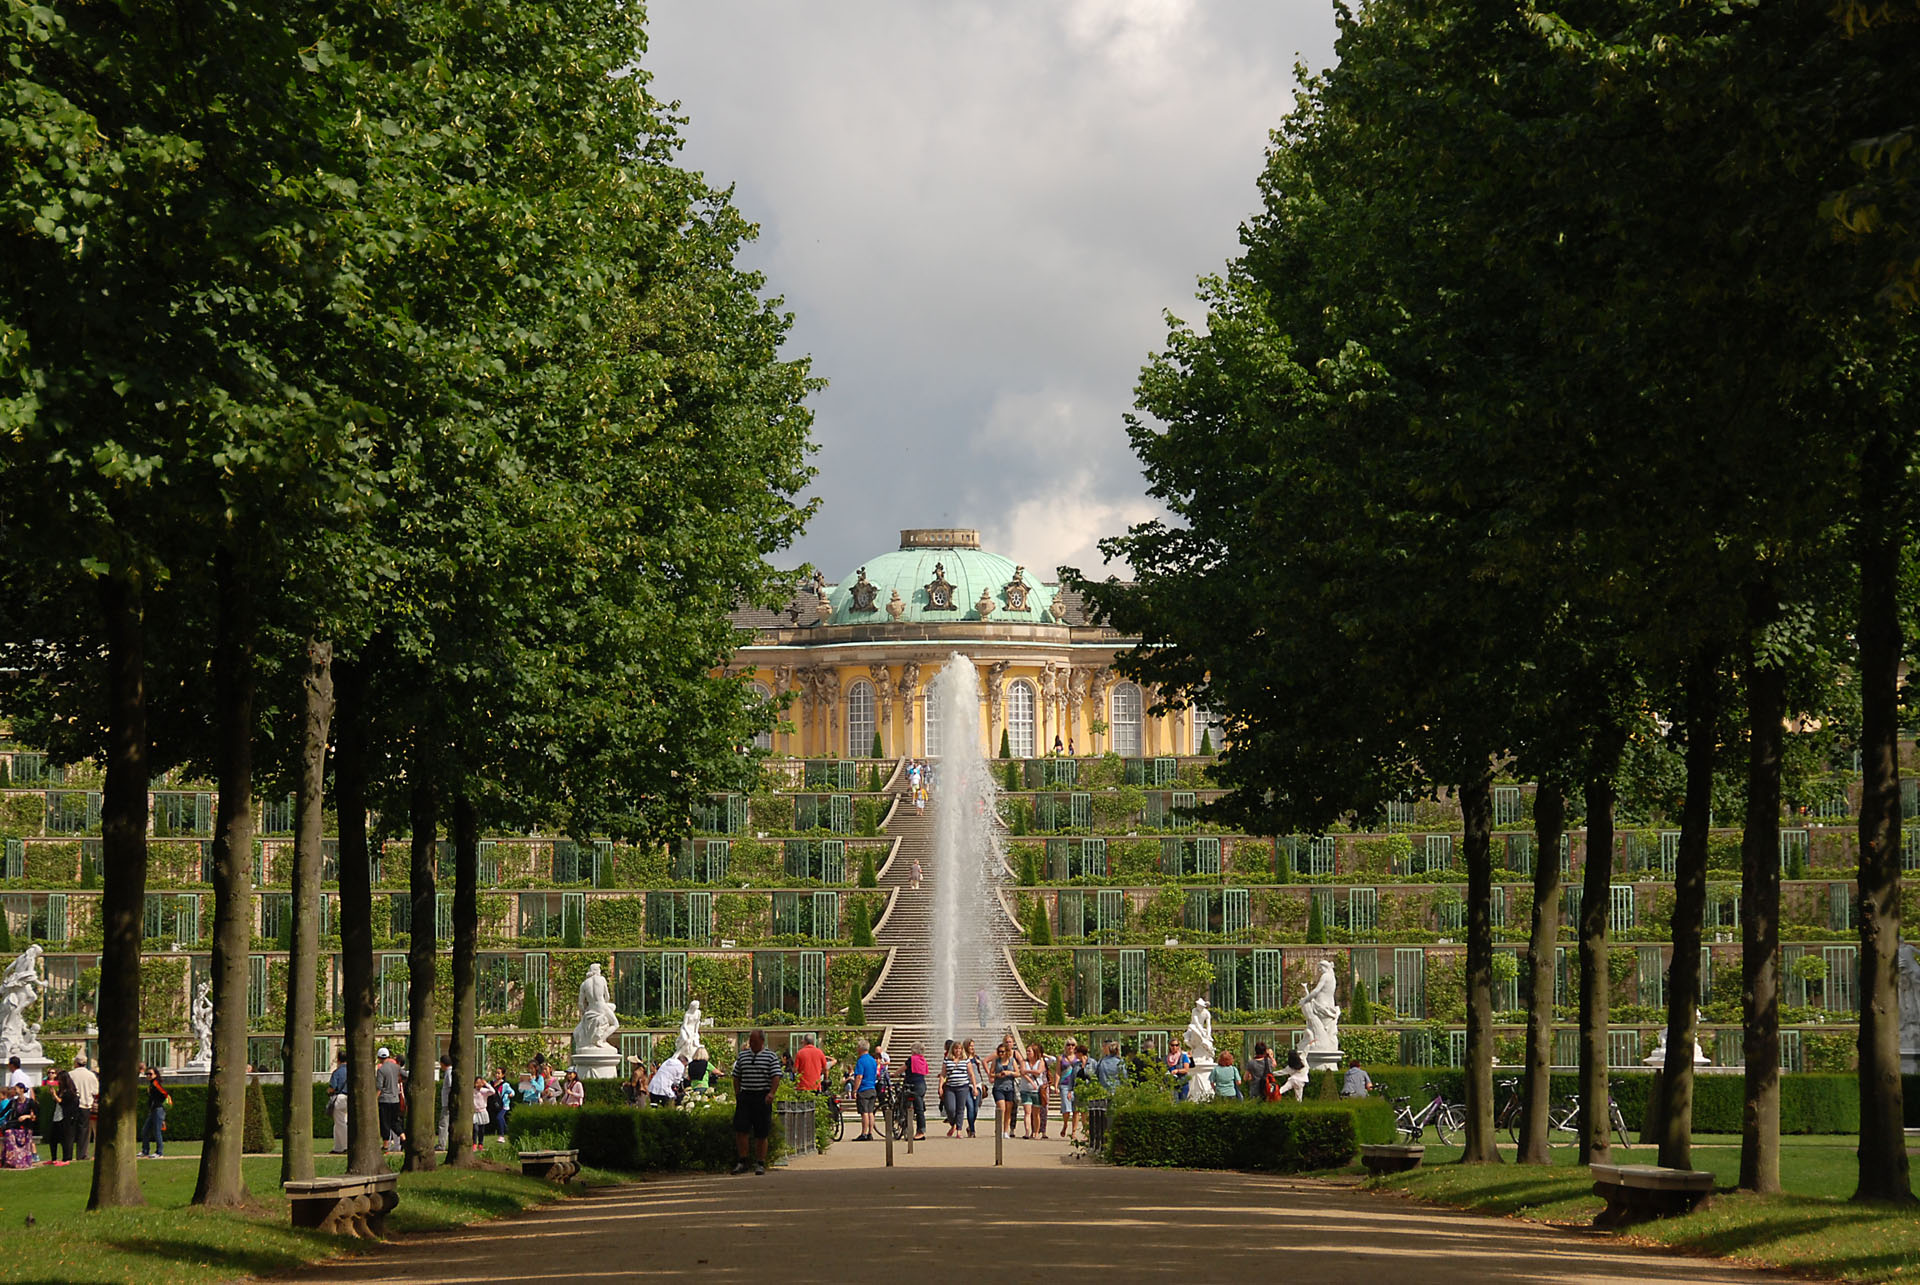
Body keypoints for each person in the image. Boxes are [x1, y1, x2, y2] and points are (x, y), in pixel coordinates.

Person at [730, 1028, 783, 1176]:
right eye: (750, 1041)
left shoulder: (770, 1057)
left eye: (754, 1041)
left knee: (761, 1132)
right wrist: (737, 1093)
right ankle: (742, 1161)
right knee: (741, 1130)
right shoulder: (743, 1056)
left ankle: (760, 1162)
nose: (751, 1043)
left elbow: (776, 1076)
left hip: (762, 1096)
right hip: (746, 1095)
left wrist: (771, 1093)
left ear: (762, 1041)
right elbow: (736, 1076)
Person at [68, 1053, 97, 1160]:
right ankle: (82, 1154)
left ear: (76, 1062)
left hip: (72, 1105)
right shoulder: (91, 1075)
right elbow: (96, 1091)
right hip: (85, 1105)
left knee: (70, 1131)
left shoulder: (70, 1074)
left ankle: (68, 1154)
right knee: (83, 1132)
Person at [375, 1046, 403, 1152]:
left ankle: (386, 1146)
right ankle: (403, 1138)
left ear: (379, 1057)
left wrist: (375, 1100)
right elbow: (405, 1075)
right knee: (395, 1122)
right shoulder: (396, 1067)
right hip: (395, 1099)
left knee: (385, 1123)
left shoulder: (381, 1070)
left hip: (384, 1100)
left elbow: (379, 1087)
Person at [1056, 1039, 1084, 1143]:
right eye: (1068, 1045)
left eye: (1073, 1045)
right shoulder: (1061, 1058)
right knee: (1067, 1109)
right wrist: (1056, 1084)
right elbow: (1058, 1072)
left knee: (1076, 1110)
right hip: (1064, 1085)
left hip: (1076, 1085)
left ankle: (1073, 1132)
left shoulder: (1078, 1058)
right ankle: (1065, 1124)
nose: (1070, 1047)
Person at [940, 1040, 970, 1137]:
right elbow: (943, 1074)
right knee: (950, 1108)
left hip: (963, 1086)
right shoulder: (947, 1060)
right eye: (956, 1048)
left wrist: (974, 1087)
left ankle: (959, 1130)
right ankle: (953, 1124)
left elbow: (971, 1074)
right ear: (952, 1049)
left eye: (960, 1049)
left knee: (960, 1109)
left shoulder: (966, 1060)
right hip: (950, 1087)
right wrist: (940, 1086)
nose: (958, 1050)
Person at [991, 1039, 1020, 1137]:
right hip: (999, 1087)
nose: (1001, 1053)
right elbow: (991, 1073)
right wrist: (998, 1075)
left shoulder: (1012, 1061)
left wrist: (1009, 1073)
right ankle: (998, 1129)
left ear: (1007, 1052)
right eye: (999, 1052)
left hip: (1009, 1088)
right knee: (1002, 1109)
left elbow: (1018, 1073)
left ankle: (1005, 1131)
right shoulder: (996, 1061)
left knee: (1008, 1110)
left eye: (1002, 1051)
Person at [47, 1067, 77, 1165]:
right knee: (53, 1138)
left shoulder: (69, 1092)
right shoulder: (61, 1091)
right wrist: (54, 1095)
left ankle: (66, 1158)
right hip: (57, 1115)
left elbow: (63, 1102)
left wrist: (55, 1095)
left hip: (65, 1117)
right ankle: (53, 1158)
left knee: (65, 1139)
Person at [0, 1082, 34, 1168]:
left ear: (22, 1090)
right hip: (14, 1125)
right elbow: (3, 1113)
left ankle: (22, 1160)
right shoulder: (13, 1102)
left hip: (25, 1125)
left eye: (16, 1089)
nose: (14, 1091)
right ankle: (11, 1160)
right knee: (8, 1132)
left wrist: (26, 1116)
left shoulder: (30, 1102)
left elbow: (35, 1115)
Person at [851, 1039, 879, 1141]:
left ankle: (864, 1133)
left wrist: (855, 1090)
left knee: (864, 1112)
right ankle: (870, 1133)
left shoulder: (861, 1061)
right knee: (871, 1112)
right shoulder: (872, 1060)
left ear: (860, 1048)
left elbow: (859, 1076)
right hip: (872, 1088)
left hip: (864, 1089)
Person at [140, 1066, 172, 1157]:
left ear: (155, 1074)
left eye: (150, 1074)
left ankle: (159, 1152)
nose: (148, 1076)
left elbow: (164, 1093)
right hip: (154, 1110)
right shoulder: (152, 1084)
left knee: (157, 1131)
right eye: (147, 1074)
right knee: (145, 1130)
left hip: (158, 1109)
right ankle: (145, 1150)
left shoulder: (155, 1084)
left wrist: (158, 1103)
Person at [903, 1046, 928, 1140]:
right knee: (920, 1109)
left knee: (916, 1109)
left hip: (913, 1085)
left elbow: (903, 1068)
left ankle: (921, 1132)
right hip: (921, 1085)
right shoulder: (922, 1060)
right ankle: (920, 1130)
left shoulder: (911, 1059)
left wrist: (894, 1074)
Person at [327, 1049, 350, 1153]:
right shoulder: (352, 1071)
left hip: (340, 1098)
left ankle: (345, 1146)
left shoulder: (337, 1072)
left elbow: (333, 1087)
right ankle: (338, 1147)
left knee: (340, 1123)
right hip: (350, 1098)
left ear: (338, 1059)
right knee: (340, 1123)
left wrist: (328, 1091)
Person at [963, 1039, 984, 1138]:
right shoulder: (963, 1058)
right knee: (970, 1107)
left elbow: (979, 1071)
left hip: (978, 1084)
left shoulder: (976, 1057)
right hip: (967, 1085)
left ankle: (970, 1127)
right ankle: (972, 1130)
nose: (972, 1047)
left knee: (975, 1109)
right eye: (970, 1046)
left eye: (973, 1046)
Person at [436, 1053, 455, 1149]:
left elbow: (451, 1085)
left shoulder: (448, 1072)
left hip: (447, 1103)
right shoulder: (449, 1072)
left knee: (443, 1123)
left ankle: (441, 1144)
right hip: (447, 1102)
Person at [1166, 1037, 1192, 1102]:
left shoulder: (1183, 1056)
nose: (1174, 1047)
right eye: (1172, 1045)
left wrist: (1177, 1071)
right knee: (1174, 1102)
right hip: (1172, 1084)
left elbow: (1186, 1069)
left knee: (1182, 1102)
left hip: (1183, 1083)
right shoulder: (1166, 1058)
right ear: (1169, 1046)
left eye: (1176, 1045)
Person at [491, 1066, 513, 1138]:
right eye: (496, 1073)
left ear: (502, 1075)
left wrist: (510, 1095)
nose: (497, 1075)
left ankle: (501, 1134)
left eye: (499, 1073)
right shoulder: (492, 1083)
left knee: (499, 1117)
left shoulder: (505, 1085)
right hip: (495, 1104)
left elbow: (512, 1092)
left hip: (504, 1105)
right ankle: (507, 1130)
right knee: (499, 1118)